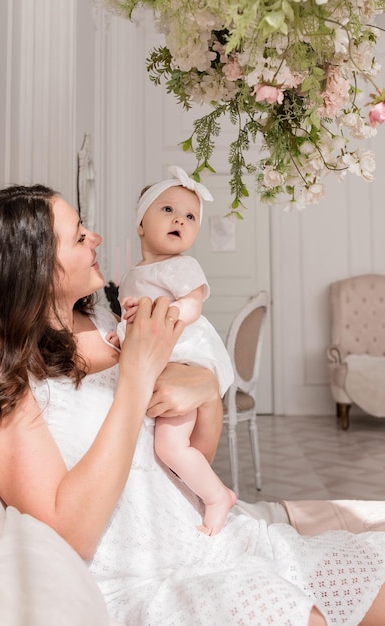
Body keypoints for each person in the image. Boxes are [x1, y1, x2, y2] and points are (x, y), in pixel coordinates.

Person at [0, 183, 385, 626]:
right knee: (296, 616)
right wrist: (136, 377)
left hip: (211, 540)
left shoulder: (102, 325)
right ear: (32, 266)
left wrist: (205, 390)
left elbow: (194, 457)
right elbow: (69, 533)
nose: (97, 238)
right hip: (142, 577)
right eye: (79, 235)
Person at [109, 165, 236, 536]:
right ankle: (178, 501)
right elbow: (133, 319)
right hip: (159, 357)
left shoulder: (182, 266)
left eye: (190, 216)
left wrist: (173, 312)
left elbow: (193, 303)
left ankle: (216, 496)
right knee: (158, 441)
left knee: (169, 445)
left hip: (186, 356)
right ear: (140, 225)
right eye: (167, 209)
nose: (180, 218)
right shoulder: (134, 274)